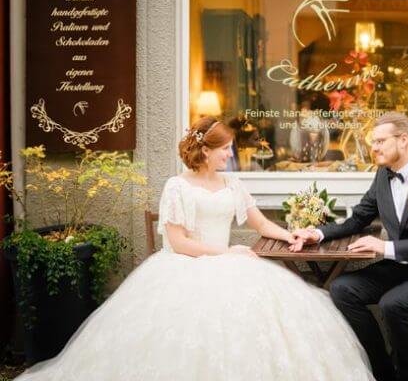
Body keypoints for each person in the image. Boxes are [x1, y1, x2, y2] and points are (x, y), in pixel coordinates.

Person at [16, 117, 373, 381]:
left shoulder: (232, 184)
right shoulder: (177, 187)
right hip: (186, 266)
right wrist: (227, 254)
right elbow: (179, 242)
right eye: (225, 149)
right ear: (204, 150)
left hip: (229, 262)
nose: (230, 155)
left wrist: (293, 235)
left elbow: (261, 224)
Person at [293, 112, 408, 381]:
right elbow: (358, 219)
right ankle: (382, 372)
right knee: (342, 289)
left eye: (380, 141)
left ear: (403, 140)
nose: (374, 147)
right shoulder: (383, 175)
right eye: (373, 141)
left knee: (394, 304)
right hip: (404, 268)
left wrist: (385, 248)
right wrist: (317, 233)